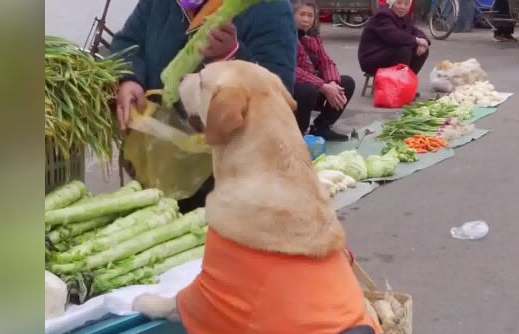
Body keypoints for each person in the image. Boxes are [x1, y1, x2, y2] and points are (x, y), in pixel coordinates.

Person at [110, 0, 297, 212]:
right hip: (155, 155)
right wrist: (129, 78)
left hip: (222, 174)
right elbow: (128, 42)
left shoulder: (270, 7)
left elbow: (278, 94)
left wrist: (233, 54)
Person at [292, 0, 355, 142]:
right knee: (308, 90)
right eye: (302, 14)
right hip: (292, 90)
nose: (306, 19)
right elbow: (291, 69)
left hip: (312, 88)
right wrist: (322, 86)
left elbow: (326, 61)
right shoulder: (286, 36)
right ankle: (298, 134)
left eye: (310, 15)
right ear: (292, 15)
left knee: (346, 83)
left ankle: (321, 127)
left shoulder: (314, 38)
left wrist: (332, 83)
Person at [358, 0, 430, 79]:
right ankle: (399, 84)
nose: (402, 7)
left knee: (423, 50)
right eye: (399, 3)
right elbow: (393, 37)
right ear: (391, 3)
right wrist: (417, 40)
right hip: (372, 58)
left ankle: (406, 82)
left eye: (406, 4)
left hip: (389, 54)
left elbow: (415, 31)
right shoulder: (383, 15)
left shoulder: (404, 17)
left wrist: (424, 40)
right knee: (404, 50)